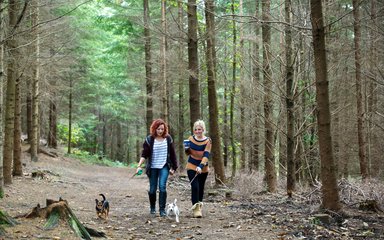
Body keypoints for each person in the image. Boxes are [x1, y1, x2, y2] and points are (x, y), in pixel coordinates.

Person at [136, 119, 178, 216]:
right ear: (154, 129)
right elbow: (144, 154)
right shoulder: (149, 139)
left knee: (162, 187)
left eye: (162, 129)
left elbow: (172, 154)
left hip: (164, 166)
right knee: (152, 189)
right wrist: (139, 166)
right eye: (158, 129)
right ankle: (153, 208)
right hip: (153, 167)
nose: (160, 131)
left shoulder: (168, 139)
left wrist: (174, 167)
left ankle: (162, 210)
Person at [184, 120, 211, 218]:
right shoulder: (190, 139)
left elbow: (206, 154)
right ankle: (196, 209)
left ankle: (199, 206)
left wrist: (201, 166)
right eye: (196, 129)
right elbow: (188, 154)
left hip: (203, 166)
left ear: (203, 129)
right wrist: (186, 149)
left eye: (199, 129)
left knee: (200, 187)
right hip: (191, 165)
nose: (197, 131)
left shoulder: (208, 141)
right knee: (195, 187)